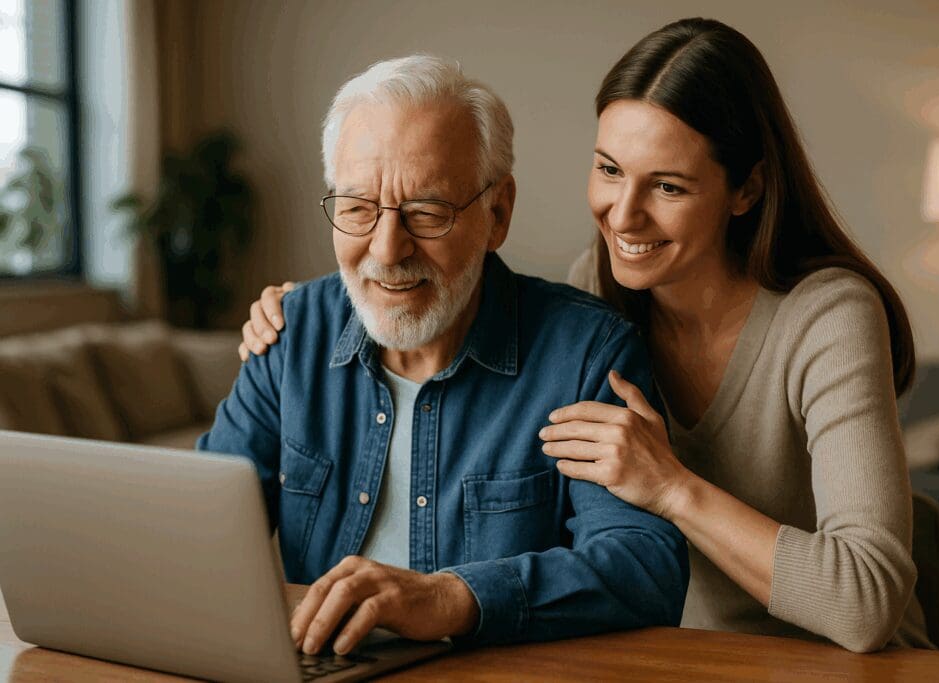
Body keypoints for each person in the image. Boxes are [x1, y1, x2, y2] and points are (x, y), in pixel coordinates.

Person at [241, 19, 935, 653]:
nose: (623, 216)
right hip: (683, 654)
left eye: (667, 186)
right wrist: (319, 307)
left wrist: (672, 488)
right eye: (608, 170)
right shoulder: (601, 292)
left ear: (746, 189)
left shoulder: (828, 316)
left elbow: (866, 602)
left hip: (844, 661)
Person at [200, 55, 689, 657]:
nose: (386, 249)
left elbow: (643, 569)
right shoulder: (290, 335)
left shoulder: (585, 354)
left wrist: (451, 598)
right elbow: (197, 531)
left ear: (498, 214)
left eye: (427, 213)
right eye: (357, 208)